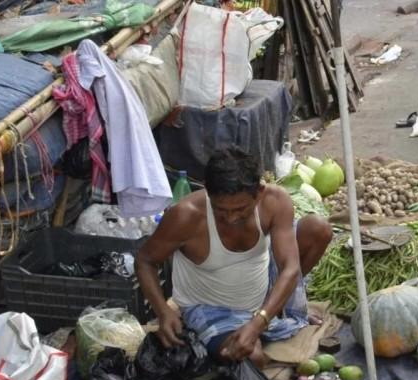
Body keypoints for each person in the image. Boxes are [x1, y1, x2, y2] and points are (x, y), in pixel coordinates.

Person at [135, 145, 332, 368]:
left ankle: (279, 309)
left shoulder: (275, 201)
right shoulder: (186, 215)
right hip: (211, 307)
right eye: (221, 210)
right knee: (250, 358)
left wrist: (260, 320)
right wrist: (163, 311)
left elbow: (290, 267)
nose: (231, 218)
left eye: (241, 209)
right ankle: (269, 316)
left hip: (261, 285)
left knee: (318, 229)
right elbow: (145, 261)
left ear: (259, 192)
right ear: (208, 190)